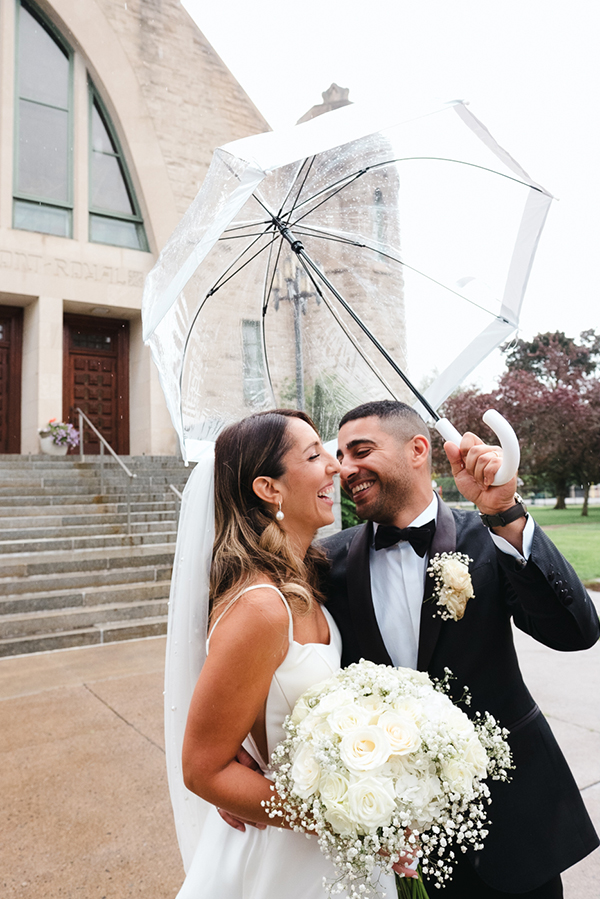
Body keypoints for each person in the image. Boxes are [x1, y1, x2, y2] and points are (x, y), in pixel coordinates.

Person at [322, 400, 600, 899]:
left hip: (514, 823)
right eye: (340, 457)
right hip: (403, 838)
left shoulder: (491, 535)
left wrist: (506, 514)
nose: (345, 469)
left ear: (418, 449)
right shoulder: (326, 563)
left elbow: (575, 631)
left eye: (360, 451)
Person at [172, 409, 407, 899]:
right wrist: (349, 817)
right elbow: (202, 768)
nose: (337, 467)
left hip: (331, 847)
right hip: (287, 855)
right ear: (269, 488)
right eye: (315, 455)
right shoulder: (261, 607)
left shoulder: (304, 578)